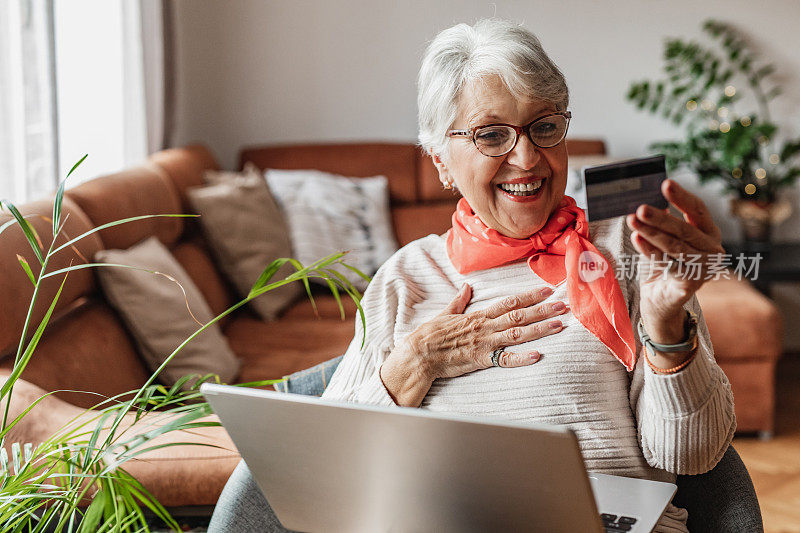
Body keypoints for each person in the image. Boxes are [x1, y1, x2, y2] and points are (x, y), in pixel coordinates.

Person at [209, 19, 735, 533]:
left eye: (545, 127)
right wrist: (415, 362)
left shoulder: (632, 249)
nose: (526, 158)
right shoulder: (404, 278)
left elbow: (693, 457)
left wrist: (667, 326)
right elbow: (325, 472)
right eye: (491, 135)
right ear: (441, 160)